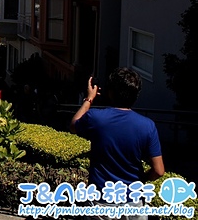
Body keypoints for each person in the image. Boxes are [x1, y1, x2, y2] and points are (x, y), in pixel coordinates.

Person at [70, 68, 164, 207]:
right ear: (136, 95)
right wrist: (141, 181)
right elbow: (159, 170)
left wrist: (89, 98)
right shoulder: (148, 126)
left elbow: (73, 125)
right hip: (133, 201)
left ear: (110, 92)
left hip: (101, 199)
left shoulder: (96, 118)